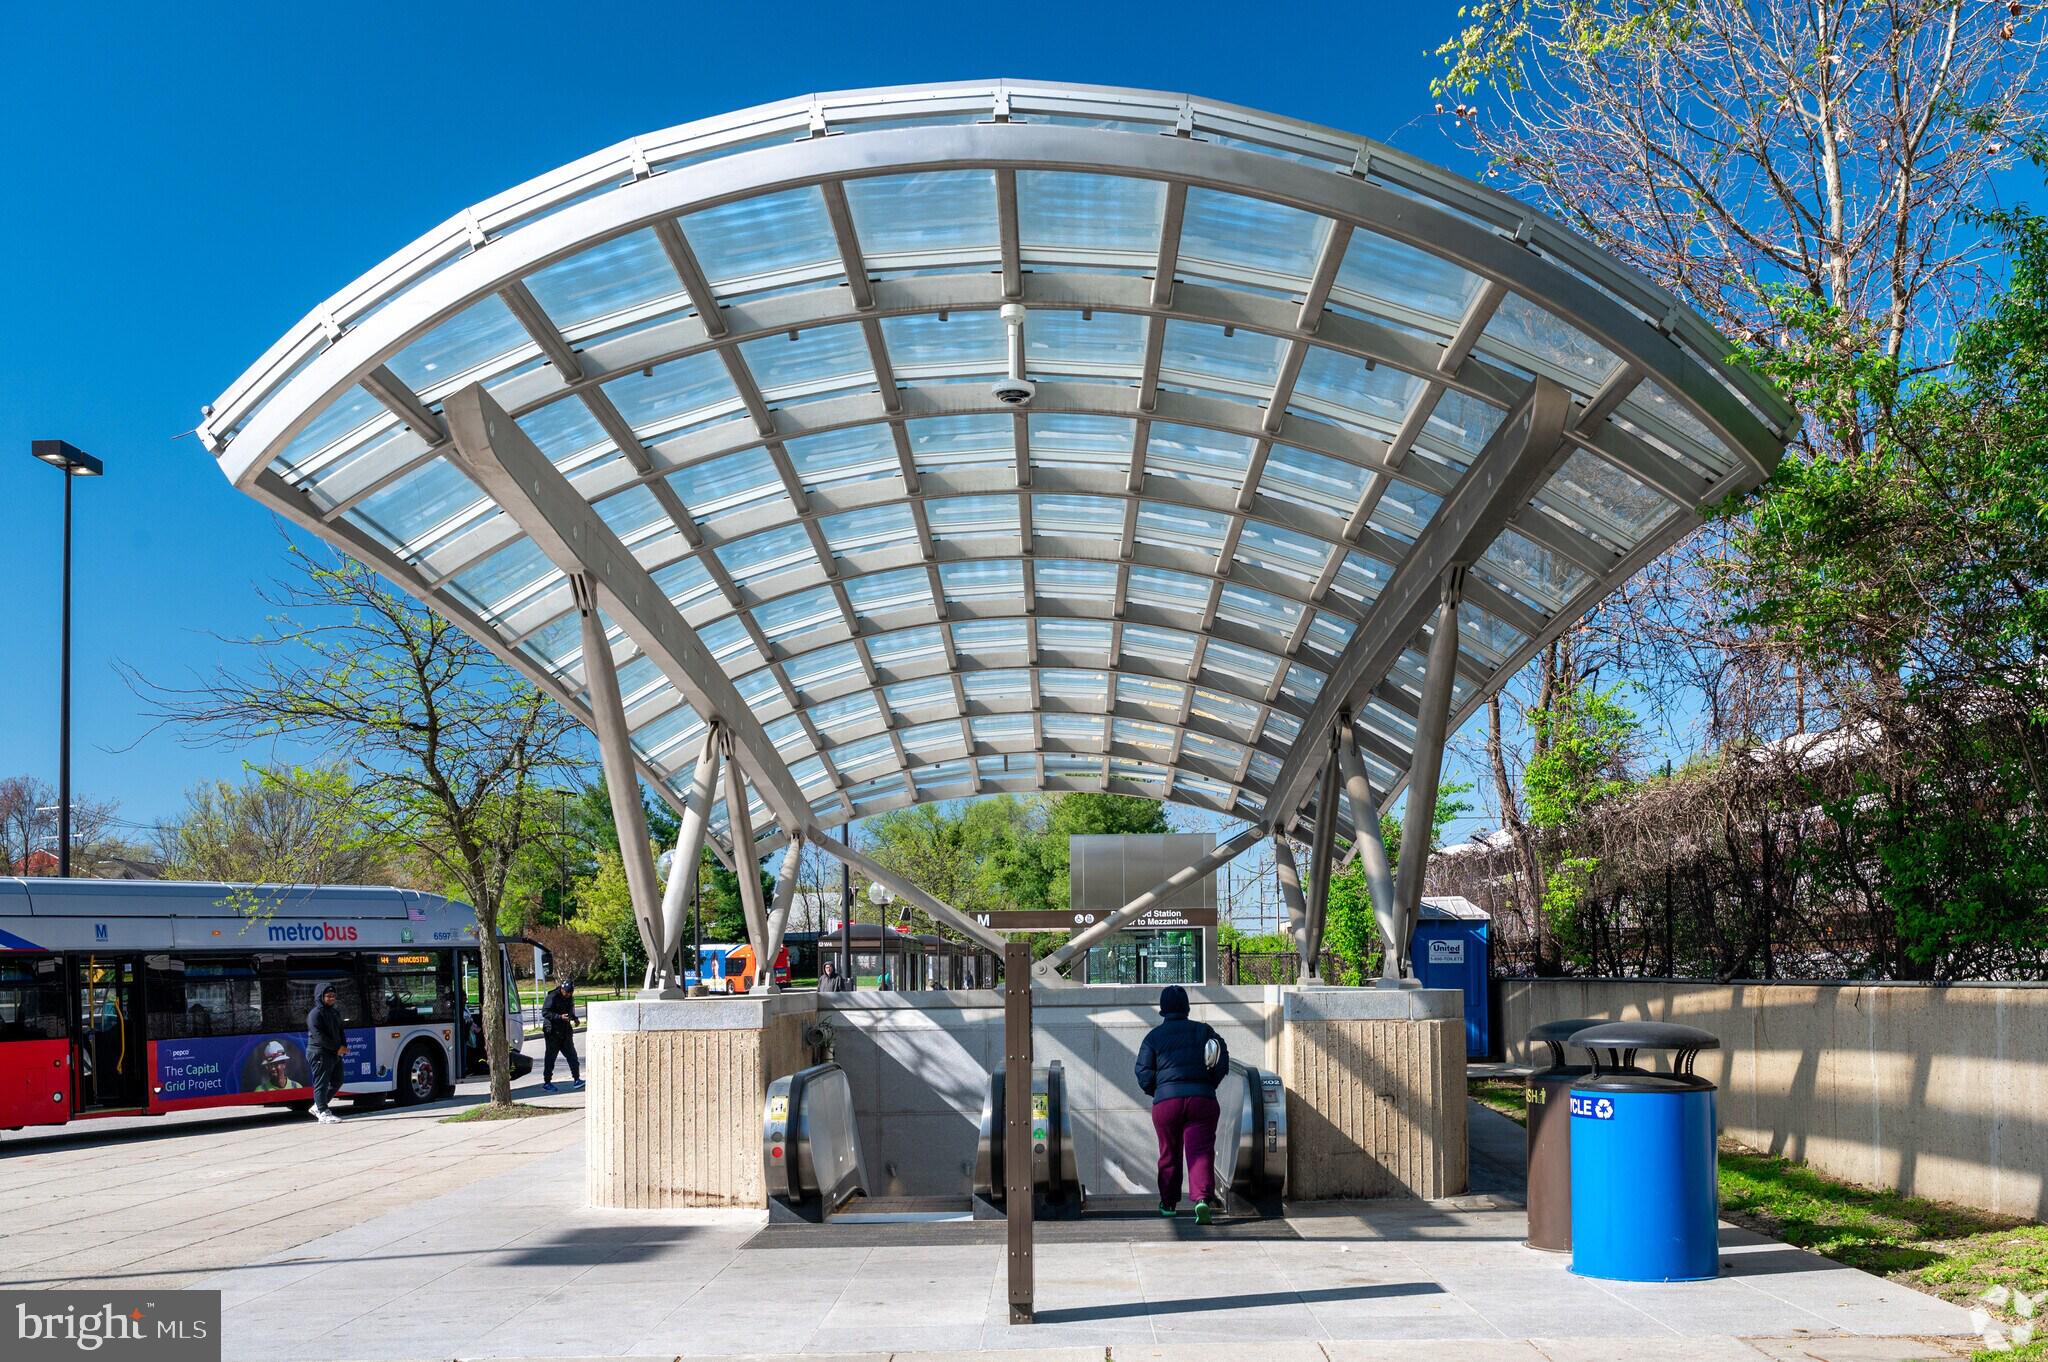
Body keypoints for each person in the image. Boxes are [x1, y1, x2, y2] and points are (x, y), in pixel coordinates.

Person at [1134, 983, 1229, 1223]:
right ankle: (1201, 1200)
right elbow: (1221, 1059)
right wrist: (1209, 1084)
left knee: (1169, 1152)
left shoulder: (1153, 1037)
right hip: (1202, 1099)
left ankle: (1168, 1203)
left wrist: (1159, 1091)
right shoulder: (1204, 1031)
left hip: (1167, 1102)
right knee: (1201, 1151)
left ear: (1163, 1010)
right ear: (1187, 1008)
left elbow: (1143, 1072)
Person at [306, 982, 346, 1124]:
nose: (331, 998)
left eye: (333, 996)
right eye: (328, 996)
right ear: (320, 996)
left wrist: (343, 1046)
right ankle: (323, 1112)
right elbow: (319, 1037)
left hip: (333, 1052)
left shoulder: (334, 1012)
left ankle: (318, 1106)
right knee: (321, 1083)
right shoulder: (315, 1014)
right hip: (319, 1053)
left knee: (338, 1080)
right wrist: (337, 1048)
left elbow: (340, 1030)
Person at [541, 978, 581, 1092]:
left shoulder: (569, 998)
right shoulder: (552, 996)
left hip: (565, 1031)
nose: (567, 994)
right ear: (562, 989)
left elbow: (569, 1011)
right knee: (550, 1057)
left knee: (572, 1055)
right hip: (552, 1031)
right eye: (566, 992)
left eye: (569, 993)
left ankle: (577, 1079)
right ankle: (547, 1082)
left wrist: (574, 1018)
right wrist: (559, 1017)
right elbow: (545, 1012)